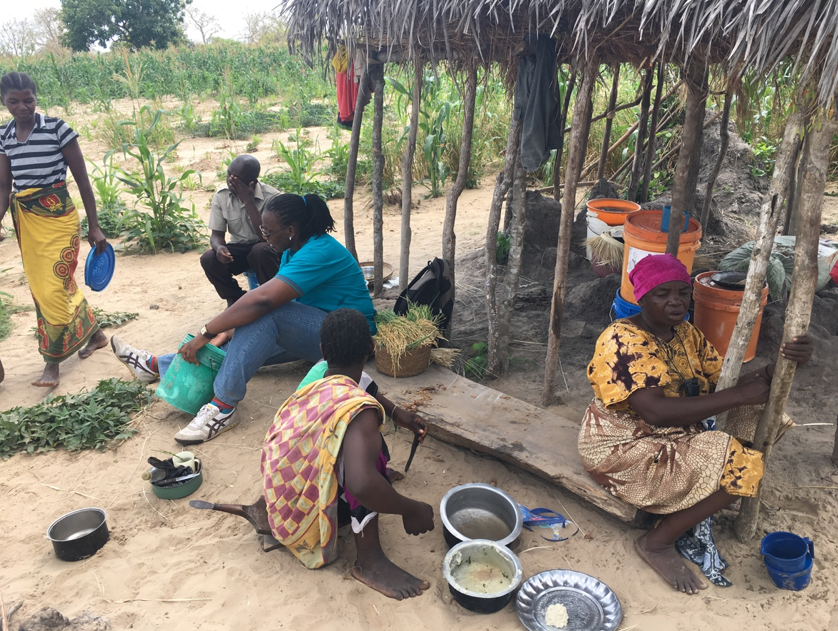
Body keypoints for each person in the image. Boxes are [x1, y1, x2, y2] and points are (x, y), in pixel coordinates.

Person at [578, 253, 813, 595]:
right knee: (743, 463)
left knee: (766, 414)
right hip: (623, 446)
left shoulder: (686, 333)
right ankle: (658, 541)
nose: (675, 302)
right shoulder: (622, 340)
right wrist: (740, 396)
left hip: (676, 431)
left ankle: (710, 489)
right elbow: (655, 412)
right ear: (641, 298)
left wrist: (779, 366)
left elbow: (725, 384)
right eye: (662, 294)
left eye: (682, 293)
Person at [112, 193, 375, 444]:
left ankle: (223, 406)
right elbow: (280, 303)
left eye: (268, 231)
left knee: (264, 314)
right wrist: (224, 332)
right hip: (315, 332)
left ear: (291, 230)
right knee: (237, 344)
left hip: (347, 340)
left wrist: (206, 331)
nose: (264, 236)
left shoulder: (320, 251)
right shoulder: (291, 251)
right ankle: (156, 365)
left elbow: (265, 301)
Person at [261, 308, 434, 599]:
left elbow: (367, 389)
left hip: (283, 496)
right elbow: (362, 485)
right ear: (371, 347)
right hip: (304, 522)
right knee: (370, 462)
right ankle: (369, 561)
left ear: (323, 350)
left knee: (361, 444)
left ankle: (362, 486)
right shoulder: (358, 411)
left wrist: (398, 414)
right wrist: (412, 509)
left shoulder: (322, 376)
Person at [0, 72, 108, 387]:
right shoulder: (4, 135)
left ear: (36, 97)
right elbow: (5, 187)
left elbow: (83, 181)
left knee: (54, 287)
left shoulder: (58, 130)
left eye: (28, 100)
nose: (23, 107)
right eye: (14, 101)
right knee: (48, 287)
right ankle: (97, 335)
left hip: (58, 217)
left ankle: (52, 364)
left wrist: (95, 226)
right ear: (4, 103)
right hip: (28, 222)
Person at [201, 155, 280, 307]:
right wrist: (219, 248)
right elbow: (216, 235)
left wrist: (248, 201)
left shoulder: (272, 197)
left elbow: (266, 237)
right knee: (208, 258)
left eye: (235, 179)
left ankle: (268, 299)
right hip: (240, 247)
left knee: (260, 250)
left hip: (268, 248)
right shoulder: (221, 196)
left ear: (251, 183)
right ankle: (235, 299)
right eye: (228, 174)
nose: (229, 180)